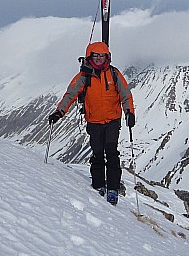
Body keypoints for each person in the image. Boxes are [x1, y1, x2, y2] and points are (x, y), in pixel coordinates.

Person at [48, 41, 135, 205]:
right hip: (94, 122)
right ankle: (99, 185)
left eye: (102, 56)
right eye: (96, 55)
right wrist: (60, 112)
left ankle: (113, 189)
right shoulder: (84, 76)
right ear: (90, 57)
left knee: (111, 153)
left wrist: (129, 113)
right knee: (97, 153)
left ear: (107, 57)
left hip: (112, 121)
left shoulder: (114, 74)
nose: (99, 58)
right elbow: (71, 94)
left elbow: (125, 94)